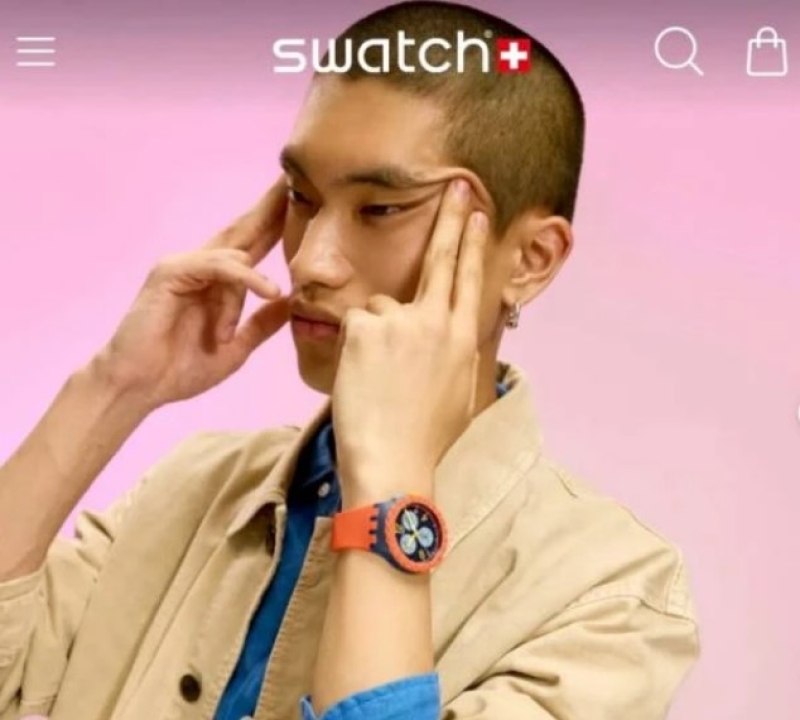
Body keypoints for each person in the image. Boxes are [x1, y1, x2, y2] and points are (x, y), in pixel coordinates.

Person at [0, 2, 700, 719]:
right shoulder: (191, 488)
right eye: (301, 197)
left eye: (380, 209)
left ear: (531, 258)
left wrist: (389, 496)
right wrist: (114, 386)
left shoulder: (610, 595)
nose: (310, 261)